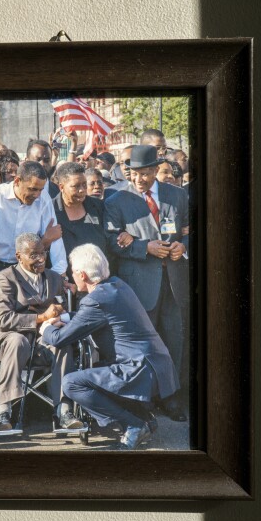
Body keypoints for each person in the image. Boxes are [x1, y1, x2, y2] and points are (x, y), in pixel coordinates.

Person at [39, 244, 180, 449]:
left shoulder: (96, 300)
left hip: (138, 371)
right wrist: (62, 318)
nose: (71, 274)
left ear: (83, 275)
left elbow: (61, 339)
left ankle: (133, 425)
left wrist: (45, 328)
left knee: (72, 383)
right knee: (98, 373)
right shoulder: (117, 286)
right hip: (157, 367)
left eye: (73, 270)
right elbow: (86, 317)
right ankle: (143, 418)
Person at [103, 145, 189, 422]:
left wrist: (182, 246)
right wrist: (144, 247)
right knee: (142, 343)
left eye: (145, 173)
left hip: (173, 281)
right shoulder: (116, 200)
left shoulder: (177, 195)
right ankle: (142, 399)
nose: (139, 179)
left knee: (173, 339)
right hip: (139, 283)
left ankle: (170, 397)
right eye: (134, 173)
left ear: (155, 170)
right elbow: (113, 241)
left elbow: (190, 228)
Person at [0, 233, 80, 431]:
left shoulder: (54, 278)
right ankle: (3, 412)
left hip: (42, 341)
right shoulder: (4, 279)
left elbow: (61, 310)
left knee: (61, 339)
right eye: (33, 255)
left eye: (42, 254)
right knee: (17, 341)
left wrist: (59, 316)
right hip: (9, 340)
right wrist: (42, 318)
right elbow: (3, 320)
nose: (40, 259)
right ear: (18, 256)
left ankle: (64, 410)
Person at [0, 161, 68, 295]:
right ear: (17, 181)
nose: (37, 195)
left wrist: (61, 275)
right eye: (32, 189)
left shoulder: (43, 199)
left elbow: (55, 239)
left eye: (40, 190)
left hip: (28, 267)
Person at [52, 163, 114, 279]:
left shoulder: (98, 207)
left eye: (84, 185)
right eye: (75, 186)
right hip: (66, 284)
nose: (82, 190)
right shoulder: (50, 212)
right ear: (61, 187)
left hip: (98, 281)